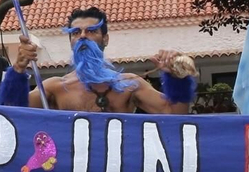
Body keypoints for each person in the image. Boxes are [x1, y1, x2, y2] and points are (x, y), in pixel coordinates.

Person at [25, 8, 195, 114]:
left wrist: (177, 77)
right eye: (76, 32)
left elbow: (173, 112)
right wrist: (18, 69)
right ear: (70, 41)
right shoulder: (55, 87)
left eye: (91, 31)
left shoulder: (130, 84)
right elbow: (12, 112)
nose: (83, 36)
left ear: (105, 39)